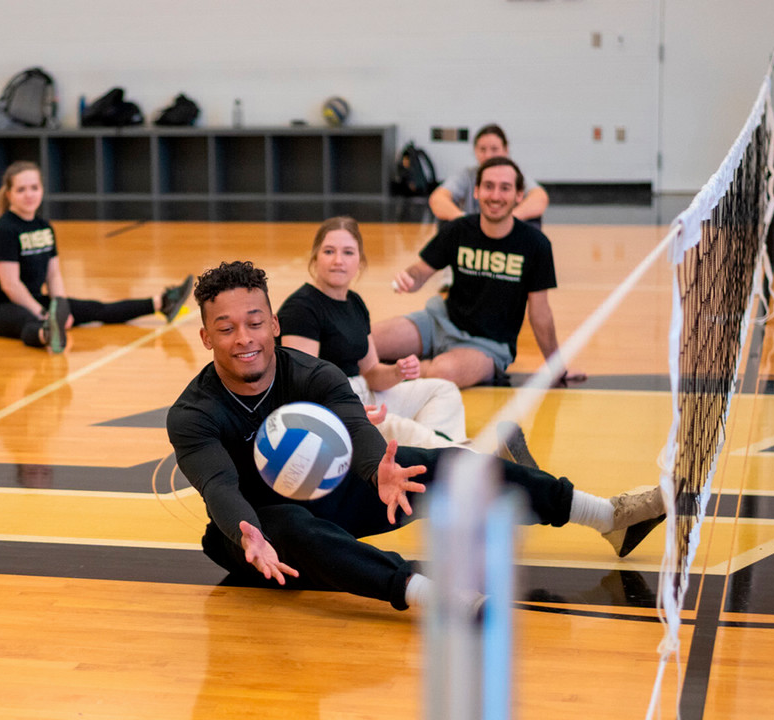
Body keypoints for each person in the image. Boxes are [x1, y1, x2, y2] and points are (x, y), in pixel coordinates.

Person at [166, 261, 663, 611]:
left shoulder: (314, 376)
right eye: (226, 329)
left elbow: (357, 429)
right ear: (206, 337)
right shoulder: (193, 413)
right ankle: (428, 595)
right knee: (289, 523)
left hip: (332, 500)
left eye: (254, 323)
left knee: (441, 463)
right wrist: (246, 532)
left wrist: (375, 468)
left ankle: (608, 517)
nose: (244, 339)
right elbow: (220, 488)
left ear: (274, 324)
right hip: (257, 540)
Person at [374, 157, 585, 389]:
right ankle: (380, 371)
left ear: (518, 195)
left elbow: (540, 314)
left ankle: (381, 374)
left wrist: (557, 367)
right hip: (438, 322)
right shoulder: (459, 229)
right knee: (365, 341)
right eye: (488, 186)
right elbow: (420, 271)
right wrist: (409, 278)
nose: (495, 195)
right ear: (476, 191)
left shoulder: (536, 245)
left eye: (505, 188)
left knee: (442, 374)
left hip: (489, 345)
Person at [276, 217, 467, 449]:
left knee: (443, 390)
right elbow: (303, 390)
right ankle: (468, 456)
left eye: (348, 252)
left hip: (363, 393)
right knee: (403, 429)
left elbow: (372, 373)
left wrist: (397, 372)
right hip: (335, 406)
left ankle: (433, 453)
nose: (338, 260)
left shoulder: (354, 302)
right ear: (315, 257)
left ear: (360, 261)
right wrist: (350, 413)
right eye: (329, 251)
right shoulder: (301, 308)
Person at [0, 161, 194, 352]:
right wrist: (46, 315)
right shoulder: (4, 231)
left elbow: (53, 275)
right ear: (9, 195)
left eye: (34, 188)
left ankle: (162, 303)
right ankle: (48, 335)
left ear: (42, 190)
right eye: (21, 190)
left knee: (95, 308)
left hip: (36, 300)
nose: (29, 194)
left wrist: (59, 310)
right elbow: (11, 285)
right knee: (28, 321)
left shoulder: (44, 227)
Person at [429, 123, 548, 226]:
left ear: (505, 150)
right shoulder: (467, 175)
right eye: (482, 149)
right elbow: (438, 198)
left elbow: (540, 198)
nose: (488, 155)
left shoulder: (514, 175)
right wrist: (466, 221)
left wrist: (506, 220)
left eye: (494, 149)